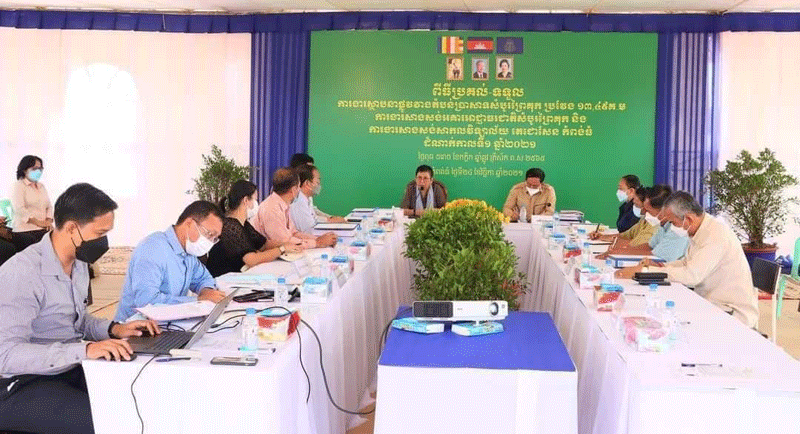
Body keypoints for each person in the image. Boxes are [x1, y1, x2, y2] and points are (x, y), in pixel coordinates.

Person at [0, 183, 160, 434]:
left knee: (141, 399)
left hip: (67, 367)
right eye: (100, 233)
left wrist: (115, 329)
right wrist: (85, 350)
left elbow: (77, 320)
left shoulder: (79, 263)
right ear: (72, 228)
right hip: (21, 382)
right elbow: (7, 356)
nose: (104, 242)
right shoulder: (22, 273)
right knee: (108, 422)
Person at [617, 192, 758, 327]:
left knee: (668, 320)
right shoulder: (701, 229)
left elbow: (692, 275)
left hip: (730, 310)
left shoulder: (715, 235)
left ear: (688, 219)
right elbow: (686, 262)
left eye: (673, 223)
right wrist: (660, 266)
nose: (672, 227)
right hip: (710, 301)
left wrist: (647, 271)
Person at [115, 201, 228, 321]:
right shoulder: (152, 249)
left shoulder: (188, 252)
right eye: (209, 234)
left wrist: (206, 291)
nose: (210, 242)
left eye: (214, 238)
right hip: (135, 325)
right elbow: (146, 302)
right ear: (189, 223)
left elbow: (203, 278)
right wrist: (198, 300)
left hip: (168, 322)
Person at [206, 180, 302, 277]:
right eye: (255, 200)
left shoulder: (244, 224)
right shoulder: (230, 227)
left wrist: (286, 244)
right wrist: (281, 249)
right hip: (224, 279)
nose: (256, 204)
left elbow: (263, 244)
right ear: (245, 200)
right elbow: (251, 260)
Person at [250, 168, 337, 248]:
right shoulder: (271, 209)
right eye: (299, 187)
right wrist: (317, 243)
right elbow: (284, 242)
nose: (300, 190)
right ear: (294, 189)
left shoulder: (284, 205)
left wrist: (317, 239)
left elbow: (294, 233)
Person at [592, 186, 656, 256]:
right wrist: (602, 236)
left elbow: (637, 245)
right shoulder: (643, 221)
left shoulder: (653, 225)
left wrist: (617, 245)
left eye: (637, 205)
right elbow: (625, 235)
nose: (642, 210)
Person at [11, 155, 53, 252]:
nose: (38, 171)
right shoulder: (18, 186)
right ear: (24, 170)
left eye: (40, 168)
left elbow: (49, 206)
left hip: (43, 228)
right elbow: (20, 209)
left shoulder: (41, 186)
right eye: (34, 168)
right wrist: (39, 223)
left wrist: (48, 220)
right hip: (25, 230)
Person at [288, 153, 344, 223]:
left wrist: (330, 218)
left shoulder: (306, 193)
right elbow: (307, 223)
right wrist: (330, 219)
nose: (310, 170)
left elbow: (312, 213)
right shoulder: (294, 194)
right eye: (308, 168)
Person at [642, 185, 690, 262]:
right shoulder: (664, 225)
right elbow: (650, 246)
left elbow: (656, 258)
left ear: (664, 210)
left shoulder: (677, 230)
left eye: (648, 210)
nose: (645, 214)